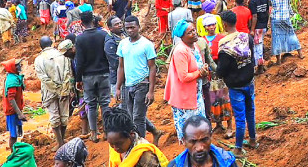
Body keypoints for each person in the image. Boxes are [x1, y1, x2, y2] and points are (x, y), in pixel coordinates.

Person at [216, 11, 257, 157]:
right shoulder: (247, 37)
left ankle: (238, 148)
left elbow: (221, 70)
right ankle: (253, 140)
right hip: (249, 81)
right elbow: (253, 57)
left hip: (235, 86)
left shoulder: (224, 44)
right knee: (250, 111)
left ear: (225, 24)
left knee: (239, 117)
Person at [116, 15, 161, 144]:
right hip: (127, 85)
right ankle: (154, 132)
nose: (130, 30)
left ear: (138, 27)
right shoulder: (123, 44)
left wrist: (151, 91)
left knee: (138, 118)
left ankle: (141, 145)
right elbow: (121, 66)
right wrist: (118, 87)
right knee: (131, 116)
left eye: (132, 27)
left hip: (142, 84)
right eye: (127, 28)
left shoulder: (146, 44)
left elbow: (152, 68)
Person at [164, 20, 209, 143]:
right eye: (190, 32)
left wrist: (203, 68)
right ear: (182, 37)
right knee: (190, 133)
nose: (194, 33)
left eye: (194, 30)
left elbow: (198, 65)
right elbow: (183, 77)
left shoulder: (194, 47)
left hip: (195, 95)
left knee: (199, 129)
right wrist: (200, 73)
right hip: (185, 98)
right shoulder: (181, 51)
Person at [75, 11, 111, 143]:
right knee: (105, 103)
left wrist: (78, 79)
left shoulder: (80, 38)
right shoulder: (103, 34)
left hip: (88, 76)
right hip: (104, 73)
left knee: (91, 105)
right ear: (93, 20)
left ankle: (94, 133)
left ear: (81, 23)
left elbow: (79, 61)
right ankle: (107, 132)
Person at [34, 35, 73, 148]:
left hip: (49, 91)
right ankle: (62, 140)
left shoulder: (39, 60)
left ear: (41, 46)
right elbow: (68, 73)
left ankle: (59, 143)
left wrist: (55, 88)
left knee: (54, 117)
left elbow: (44, 79)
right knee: (64, 116)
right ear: (51, 43)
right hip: (64, 90)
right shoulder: (62, 55)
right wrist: (63, 90)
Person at [268, 0, 302, 64]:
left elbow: (269, 7)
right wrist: (291, 14)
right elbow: (288, 5)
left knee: (277, 38)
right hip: (286, 17)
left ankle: (278, 60)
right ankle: (300, 53)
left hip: (276, 19)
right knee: (291, 35)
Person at [2, 59, 26, 151]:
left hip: (14, 110)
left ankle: (14, 152)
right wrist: (19, 113)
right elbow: (11, 98)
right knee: (13, 135)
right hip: (12, 111)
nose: (20, 66)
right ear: (12, 67)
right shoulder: (12, 80)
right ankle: (12, 153)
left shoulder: (14, 77)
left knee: (15, 133)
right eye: (17, 65)